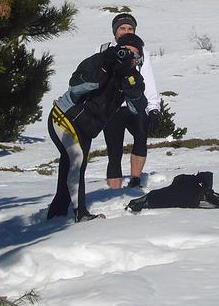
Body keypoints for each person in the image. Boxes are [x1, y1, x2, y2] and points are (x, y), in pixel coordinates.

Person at [47, 33, 147, 222]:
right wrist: (104, 68)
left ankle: (55, 215)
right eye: (126, 52)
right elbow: (75, 86)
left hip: (86, 129)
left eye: (135, 55)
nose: (130, 58)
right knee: (76, 161)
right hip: (65, 116)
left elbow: (137, 108)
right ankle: (81, 214)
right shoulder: (100, 60)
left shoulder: (133, 78)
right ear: (118, 49)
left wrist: (131, 90)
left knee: (73, 167)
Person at [101, 14, 160, 189]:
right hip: (112, 108)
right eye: (122, 28)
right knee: (114, 151)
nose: (126, 31)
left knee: (141, 139)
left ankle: (135, 180)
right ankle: (114, 192)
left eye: (130, 29)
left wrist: (154, 108)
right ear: (115, 31)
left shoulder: (142, 53)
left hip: (136, 105)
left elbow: (148, 81)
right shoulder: (103, 49)